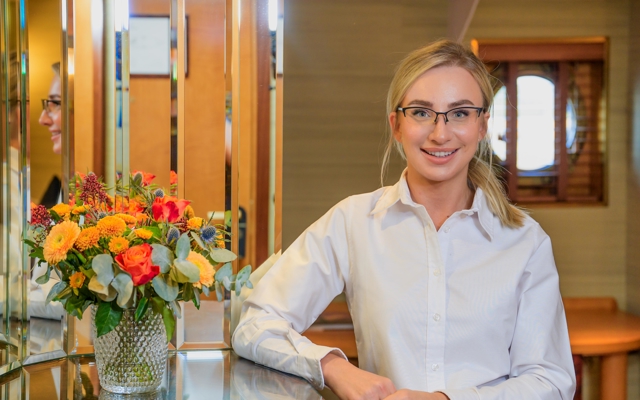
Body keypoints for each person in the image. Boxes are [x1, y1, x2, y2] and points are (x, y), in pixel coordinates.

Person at [233, 40, 576, 399]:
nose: (440, 133)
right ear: (397, 125)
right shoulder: (353, 222)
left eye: (459, 113)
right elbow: (256, 325)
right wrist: (332, 367)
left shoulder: (525, 241)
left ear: (482, 126)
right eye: (421, 112)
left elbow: (550, 382)